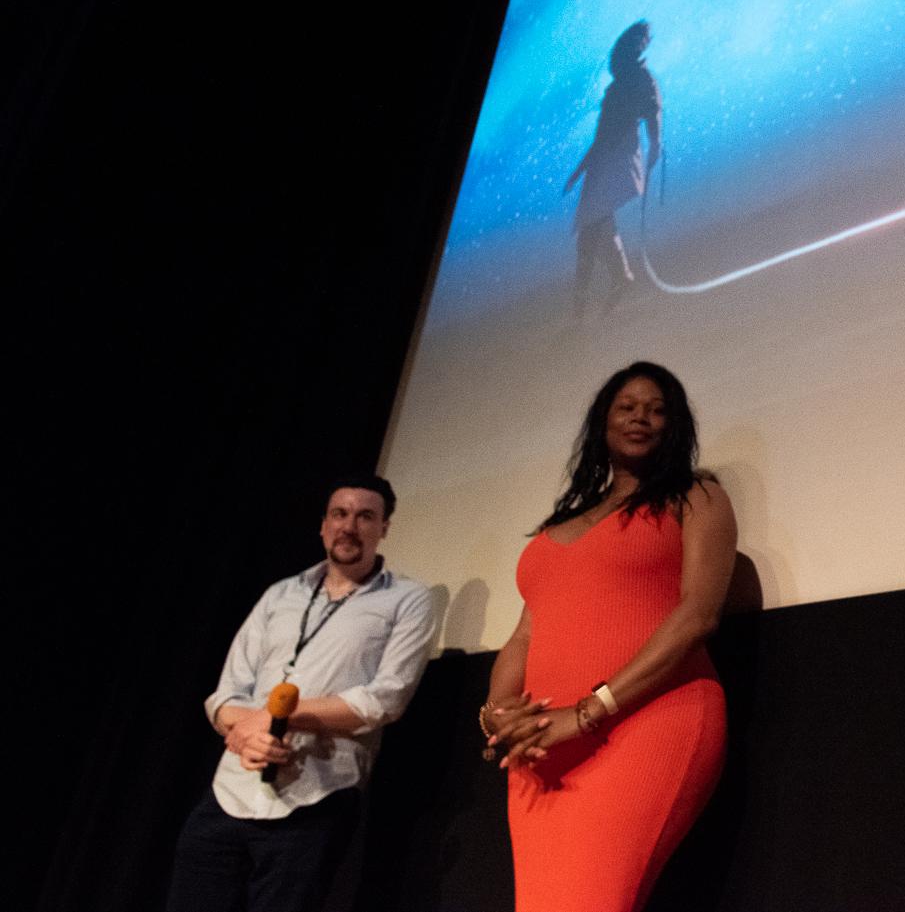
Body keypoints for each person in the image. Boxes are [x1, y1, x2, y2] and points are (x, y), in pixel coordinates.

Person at [485, 361, 734, 912]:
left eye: (657, 409)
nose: (641, 417)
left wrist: (587, 712)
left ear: (676, 427)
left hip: (645, 723)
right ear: (603, 421)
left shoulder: (696, 498)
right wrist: (501, 719)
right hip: (542, 745)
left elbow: (697, 615)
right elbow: (525, 635)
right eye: (627, 406)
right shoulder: (560, 524)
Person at [167, 473, 438, 912]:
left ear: (384, 527)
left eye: (365, 516)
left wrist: (274, 717)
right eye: (340, 514)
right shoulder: (280, 594)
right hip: (230, 790)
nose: (349, 526)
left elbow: (385, 699)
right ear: (323, 524)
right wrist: (245, 729)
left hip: (315, 799)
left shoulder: (407, 599)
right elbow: (225, 696)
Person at [564, 21, 663, 315]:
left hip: (617, 160)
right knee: (595, 227)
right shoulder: (618, 87)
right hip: (604, 163)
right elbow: (601, 135)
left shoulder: (640, 79)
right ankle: (617, 281)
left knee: (592, 227)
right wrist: (580, 169)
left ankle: (583, 305)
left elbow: (652, 115)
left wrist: (655, 146)